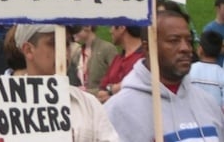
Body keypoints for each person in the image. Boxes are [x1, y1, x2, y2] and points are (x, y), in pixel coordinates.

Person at [105, 10, 224, 141]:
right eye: (174, 41)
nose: (185, 48)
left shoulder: (208, 103)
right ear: (148, 47)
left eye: (189, 41)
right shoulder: (118, 110)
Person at [14, 24, 119, 141]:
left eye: (67, 43)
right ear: (28, 50)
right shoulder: (6, 105)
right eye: (54, 43)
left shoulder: (88, 104)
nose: (63, 52)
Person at [96, 26, 145, 103]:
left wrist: (111, 90)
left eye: (112, 26)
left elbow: (140, 86)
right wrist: (113, 89)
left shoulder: (146, 58)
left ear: (122, 28)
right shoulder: (117, 59)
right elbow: (101, 92)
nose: (110, 31)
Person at [68, 25, 118, 95]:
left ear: (88, 26)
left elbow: (117, 80)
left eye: (76, 29)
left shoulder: (107, 49)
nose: (73, 33)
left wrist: (89, 92)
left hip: (103, 101)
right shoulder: (78, 54)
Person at [189, 30, 224, 110]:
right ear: (220, 51)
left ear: (200, 49)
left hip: (193, 116)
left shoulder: (190, 70)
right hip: (216, 118)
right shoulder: (221, 74)